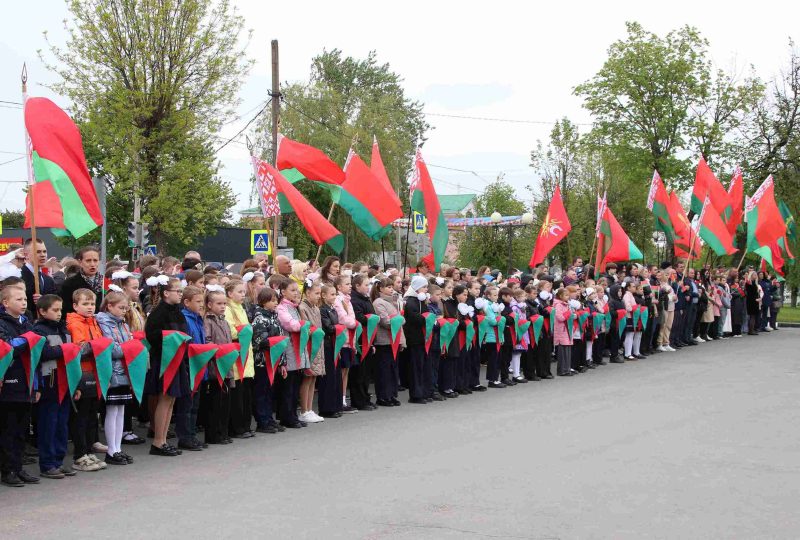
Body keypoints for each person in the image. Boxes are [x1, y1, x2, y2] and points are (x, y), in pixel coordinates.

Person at [0, 285, 41, 486]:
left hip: (27, 381)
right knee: (8, 429)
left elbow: (36, 353)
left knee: (21, 430)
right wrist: (28, 339)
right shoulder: (2, 323)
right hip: (9, 383)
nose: (24, 303)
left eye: (25, 299)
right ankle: (8, 470)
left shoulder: (27, 322)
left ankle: (18, 467)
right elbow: (8, 348)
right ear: (5, 303)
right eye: (18, 299)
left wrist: (38, 385)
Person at [31, 295, 76, 479]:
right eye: (55, 310)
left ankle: (58, 460)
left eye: (60, 310)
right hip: (49, 382)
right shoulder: (39, 330)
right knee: (48, 423)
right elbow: (44, 353)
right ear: (42, 311)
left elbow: (73, 359)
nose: (59, 314)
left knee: (61, 424)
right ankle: (47, 463)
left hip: (65, 382)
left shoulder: (64, 330)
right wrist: (68, 349)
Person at [144, 275, 189, 457]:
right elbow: (152, 335)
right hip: (163, 360)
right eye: (177, 291)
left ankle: (163, 440)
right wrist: (171, 338)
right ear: (165, 293)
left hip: (176, 359)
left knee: (171, 400)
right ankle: (158, 441)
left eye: (181, 291)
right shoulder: (159, 312)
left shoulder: (177, 310)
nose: (180, 294)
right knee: (165, 399)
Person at [65, 288, 107, 470]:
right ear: (75, 306)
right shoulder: (74, 324)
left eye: (92, 303)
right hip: (81, 373)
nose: (90, 307)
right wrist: (100, 345)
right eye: (85, 304)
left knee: (92, 416)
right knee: (80, 417)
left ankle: (89, 451)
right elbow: (78, 349)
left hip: (94, 373)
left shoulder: (94, 322)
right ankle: (79, 454)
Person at [96, 291, 136, 465]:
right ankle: (111, 450)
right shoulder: (104, 322)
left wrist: (129, 346)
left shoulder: (122, 323)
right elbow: (112, 349)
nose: (124, 311)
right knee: (112, 411)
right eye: (120, 307)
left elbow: (127, 344)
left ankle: (118, 448)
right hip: (113, 371)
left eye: (126, 308)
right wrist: (130, 347)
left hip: (124, 370)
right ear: (109, 306)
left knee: (121, 410)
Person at [252, 287, 293, 430]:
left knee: (270, 392)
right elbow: (258, 342)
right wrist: (274, 341)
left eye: (276, 300)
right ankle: (262, 421)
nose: (276, 303)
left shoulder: (274, 316)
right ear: (263, 302)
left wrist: (283, 362)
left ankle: (269, 419)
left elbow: (281, 341)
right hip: (263, 361)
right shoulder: (259, 318)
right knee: (262, 392)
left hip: (274, 360)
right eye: (272, 300)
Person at [174, 286, 206, 452]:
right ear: (186, 302)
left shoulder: (197, 318)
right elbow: (186, 342)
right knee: (187, 404)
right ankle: (185, 437)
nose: (202, 304)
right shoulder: (184, 319)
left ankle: (192, 435)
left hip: (198, 364)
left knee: (195, 404)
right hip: (189, 364)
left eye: (202, 301)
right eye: (198, 301)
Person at [203, 286, 235, 445]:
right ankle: (213, 434)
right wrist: (219, 352)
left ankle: (223, 431)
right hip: (215, 367)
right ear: (209, 305)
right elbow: (207, 341)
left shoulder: (224, 321)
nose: (223, 306)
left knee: (225, 402)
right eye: (219, 303)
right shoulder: (208, 321)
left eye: (224, 303)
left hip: (226, 365)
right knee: (215, 402)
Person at [224, 279, 255, 438]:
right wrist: (246, 329)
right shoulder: (228, 308)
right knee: (237, 396)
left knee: (246, 395)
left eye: (244, 292)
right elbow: (230, 330)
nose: (243, 295)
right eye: (239, 292)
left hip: (246, 354)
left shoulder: (241, 308)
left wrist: (247, 329)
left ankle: (245, 425)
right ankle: (237, 428)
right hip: (237, 356)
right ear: (230, 294)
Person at [275, 279, 308, 427]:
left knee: (295, 383)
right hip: (288, 349)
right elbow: (290, 325)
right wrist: (302, 325)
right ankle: (287, 416)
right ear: (283, 292)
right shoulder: (281, 308)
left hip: (297, 348)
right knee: (288, 385)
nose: (296, 293)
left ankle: (293, 414)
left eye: (297, 290)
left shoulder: (295, 307)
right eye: (293, 290)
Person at [372, 277, 405, 406]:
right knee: (384, 370)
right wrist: (398, 319)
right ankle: (383, 396)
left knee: (392, 369)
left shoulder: (393, 302)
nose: (391, 290)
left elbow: (401, 320)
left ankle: (391, 394)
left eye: (392, 287)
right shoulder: (378, 302)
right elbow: (385, 321)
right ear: (381, 288)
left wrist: (398, 319)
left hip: (394, 340)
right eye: (388, 287)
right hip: (384, 340)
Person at [297, 282, 325, 423]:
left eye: (320, 293)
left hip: (317, 344)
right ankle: (304, 410)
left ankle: (309, 409)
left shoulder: (316, 308)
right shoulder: (303, 307)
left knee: (313, 378)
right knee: (307, 378)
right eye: (316, 293)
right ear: (308, 293)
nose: (319, 296)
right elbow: (306, 327)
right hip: (309, 346)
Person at [349, 274, 377, 410]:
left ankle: (365, 398)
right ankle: (359, 401)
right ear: (357, 286)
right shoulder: (354, 300)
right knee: (359, 373)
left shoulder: (366, 299)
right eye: (366, 285)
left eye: (369, 284)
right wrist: (371, 318)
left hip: (368, 338)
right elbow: (359, 318)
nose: (368, 287)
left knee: (366, 372)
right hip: (360, 339)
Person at [318, 283, 344, 418]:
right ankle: (327, 407)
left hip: (335, 344)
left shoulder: (332, 309)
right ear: (323, 295)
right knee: (328, 377)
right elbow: (328, 327)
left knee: (336, 376)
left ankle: (336, 405)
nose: (334, 297)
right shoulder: (322, 310)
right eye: (332, 294)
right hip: (328, 345)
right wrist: (338, 328)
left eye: (335, 294)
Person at [333, 275, 359, 413]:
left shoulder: (348, 300)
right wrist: (353, 323)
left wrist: (353, 322)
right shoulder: (338, 300)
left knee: (346, 371)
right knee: (341, 371)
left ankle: (343, 399)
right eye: (347, 284)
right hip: (342, 341)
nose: (350, 286)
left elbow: (352, 316)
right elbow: (343, 319)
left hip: (350, 340)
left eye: (350, 283)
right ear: (339, 287)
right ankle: (339, 400)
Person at [60, 246, 103, 315]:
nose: (92, 264)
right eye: (88, 261)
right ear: (80, 262)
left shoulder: (105, 283)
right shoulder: (69, 284)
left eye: (95, 260)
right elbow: (65, 310)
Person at [21, 239, 56, 313]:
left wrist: (44, 301)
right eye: (38, 252)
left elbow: (55, 303)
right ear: (26, 255)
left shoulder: (49, 280)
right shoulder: (19, 276)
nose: (43, 255)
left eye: (44, 251)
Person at [552, 287, 573, 376]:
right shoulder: (558, 305)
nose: (568, 297)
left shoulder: (567, 304)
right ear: (560, 296)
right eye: (566, 295)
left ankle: (567, 368)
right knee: (562, 352)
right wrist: (569, 313)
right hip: (561, 330)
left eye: (568, 295)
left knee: (567, 351)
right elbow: (560, 317)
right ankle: (562, 370)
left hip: (567, 329)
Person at [745, 271, 760, 335]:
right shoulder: (749, 283)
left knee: (753, 316)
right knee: (752, 316)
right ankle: (751, 330)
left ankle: (752, 329)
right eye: (754, 275)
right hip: (751, 301)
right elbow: (750, 293)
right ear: (751, 275)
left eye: (756, 275)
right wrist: (755, 299)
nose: (756, 276)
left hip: (755, 300)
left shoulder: (754, 283)